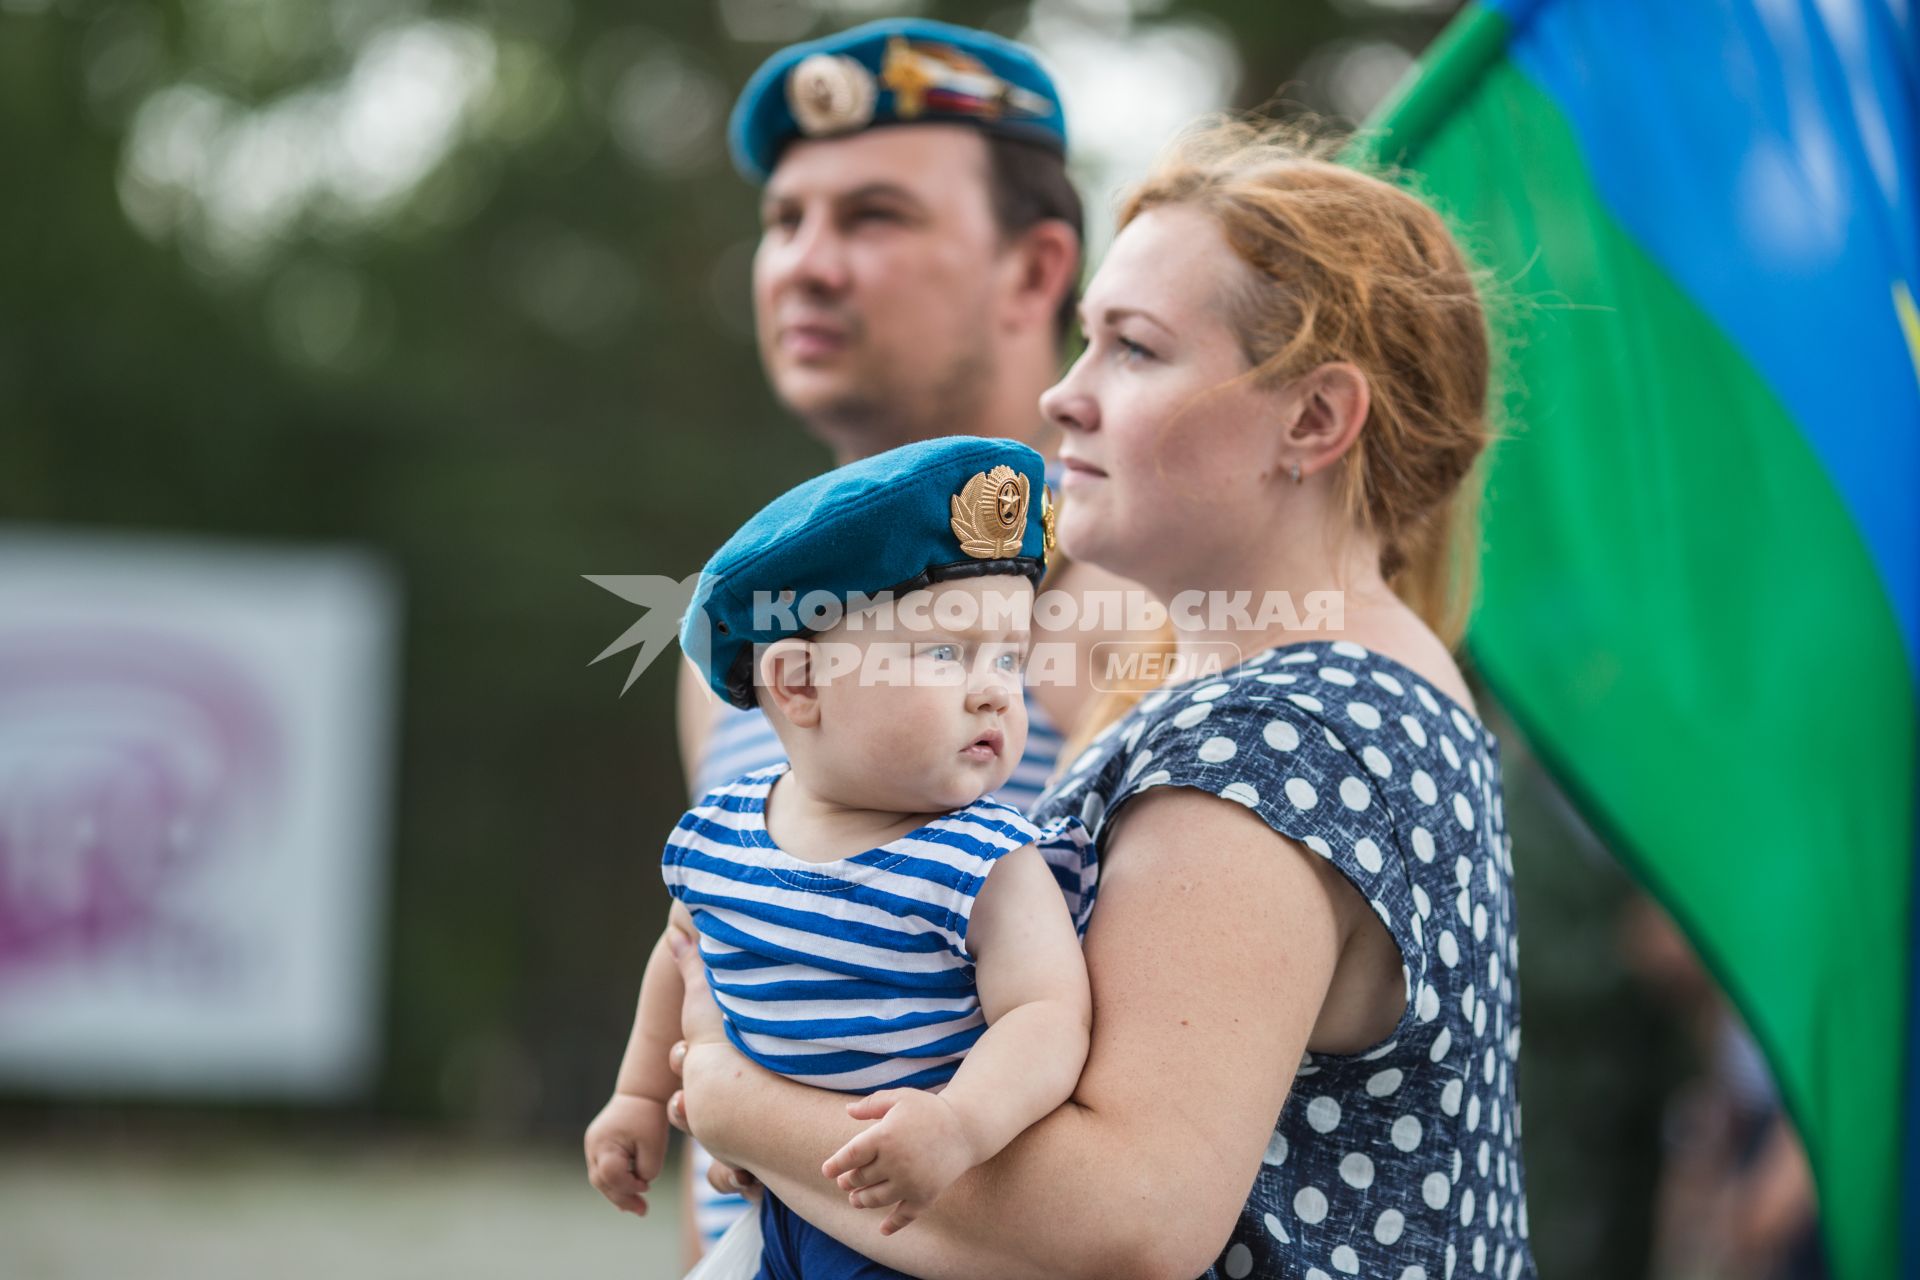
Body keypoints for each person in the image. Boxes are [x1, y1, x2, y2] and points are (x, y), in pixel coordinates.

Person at [659, 119, 1538, 1279]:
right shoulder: (1316, 689)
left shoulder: (1278, 740)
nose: (1064, 397)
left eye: (1133, 348)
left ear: (1315, 421)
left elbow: (1125, 1219)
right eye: (1084, 342)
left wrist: (735, 1104)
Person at [671, 16, 1147, 1258]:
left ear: (1037, 272)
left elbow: (1157, 1119)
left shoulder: (1136, 596)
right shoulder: (751, 630)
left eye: (874, 217)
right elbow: (720, 984)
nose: (806, 265)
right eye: (786, 221)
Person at [585, 437, 1094, 1276]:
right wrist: (638, 1098)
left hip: (916, 1228)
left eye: (1009, 656)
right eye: (947, 652)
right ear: (798, 685)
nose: (997, 687)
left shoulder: (987, 858)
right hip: (764, 1215)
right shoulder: (723, 833)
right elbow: (680, 960)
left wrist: (962, 1124)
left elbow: (1047, 1015)